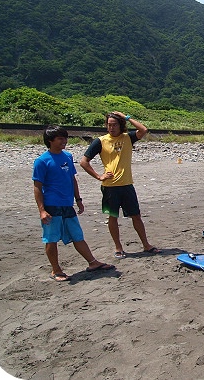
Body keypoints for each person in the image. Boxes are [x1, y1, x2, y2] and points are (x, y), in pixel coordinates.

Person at [33, 125, 115, 281]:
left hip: (67, 204)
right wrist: (42, 210)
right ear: (50, 141)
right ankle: (56, 270)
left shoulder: (67, 156)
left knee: (77, 235)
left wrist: (78, 199)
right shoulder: (42, 161)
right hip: (52, 205)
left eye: (65, 138)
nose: (64, 141)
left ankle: (93, 262)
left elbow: (72, 179)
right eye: (60, 138)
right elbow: (37, 187)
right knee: (51, 238)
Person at [80, 111, 160, 258]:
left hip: (127, 185)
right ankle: (118, 248)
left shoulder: (127, 138)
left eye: (114, 124)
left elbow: (143, 130)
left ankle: (146, 245)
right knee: (112, 217)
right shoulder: (100, 141)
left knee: (136, 216)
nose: (111, 128)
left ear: (120, 125)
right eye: (109, 125)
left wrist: (126, 117)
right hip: (110, 187)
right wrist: (99, 176)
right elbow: (84, 162)